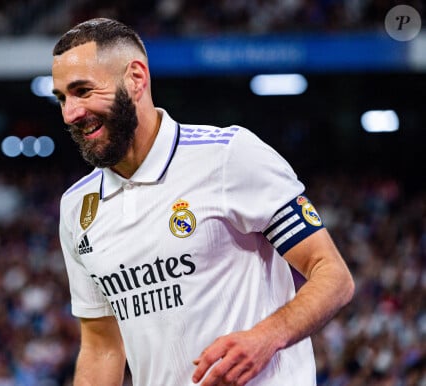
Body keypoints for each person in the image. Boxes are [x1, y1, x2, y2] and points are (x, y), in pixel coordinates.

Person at [52, 17, 355, 386]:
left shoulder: (228, 157)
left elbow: (334, 276)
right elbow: (101, 347)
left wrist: (267, 337)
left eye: (83, 91)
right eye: (62, 98)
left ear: (135, 78)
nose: (71, 113)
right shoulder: (77, 208)